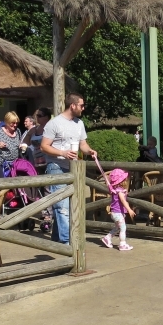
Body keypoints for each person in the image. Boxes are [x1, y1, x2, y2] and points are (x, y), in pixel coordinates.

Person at [40, 93, 98, 244]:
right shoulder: (54, 124)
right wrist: (62, 153)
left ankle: (57, 239)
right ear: (72, 105)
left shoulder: (79, 123)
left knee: (69, 205)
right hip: (56, 166)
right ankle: (67, 242)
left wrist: (90, 151)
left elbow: (83, 144)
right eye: (81, 105)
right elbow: (44, 146)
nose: (83, 108)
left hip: (73, 168)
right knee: (62, 206)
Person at [100, 168, 135, 252]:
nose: (126, 181)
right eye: (125, 180)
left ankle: (107, 238)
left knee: (117, 227)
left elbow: (108, 182)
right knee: (123, 228)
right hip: (118, 213)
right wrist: (129, 209)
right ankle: (122, 244)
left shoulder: (113, 190)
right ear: (122, 181)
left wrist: (106, 177)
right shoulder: (120, 192)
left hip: (114, 213)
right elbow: (123, 201)